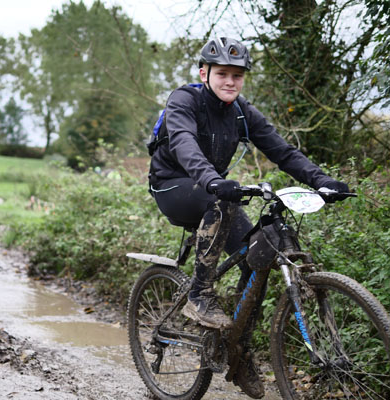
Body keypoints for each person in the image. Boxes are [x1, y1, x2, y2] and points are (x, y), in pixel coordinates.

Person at [148, 37, 350, 399]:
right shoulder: (185, 101)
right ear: (204, 73)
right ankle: (199, 295)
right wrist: (212, 179)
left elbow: (282, 151)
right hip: (173, 186)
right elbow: (183, 143)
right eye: (222, 74)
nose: (230, 81)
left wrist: (322, 181)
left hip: (212, 188)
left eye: (237, 75)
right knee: (219, 201)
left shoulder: (242, 112)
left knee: (255, 257)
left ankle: (238, 352)